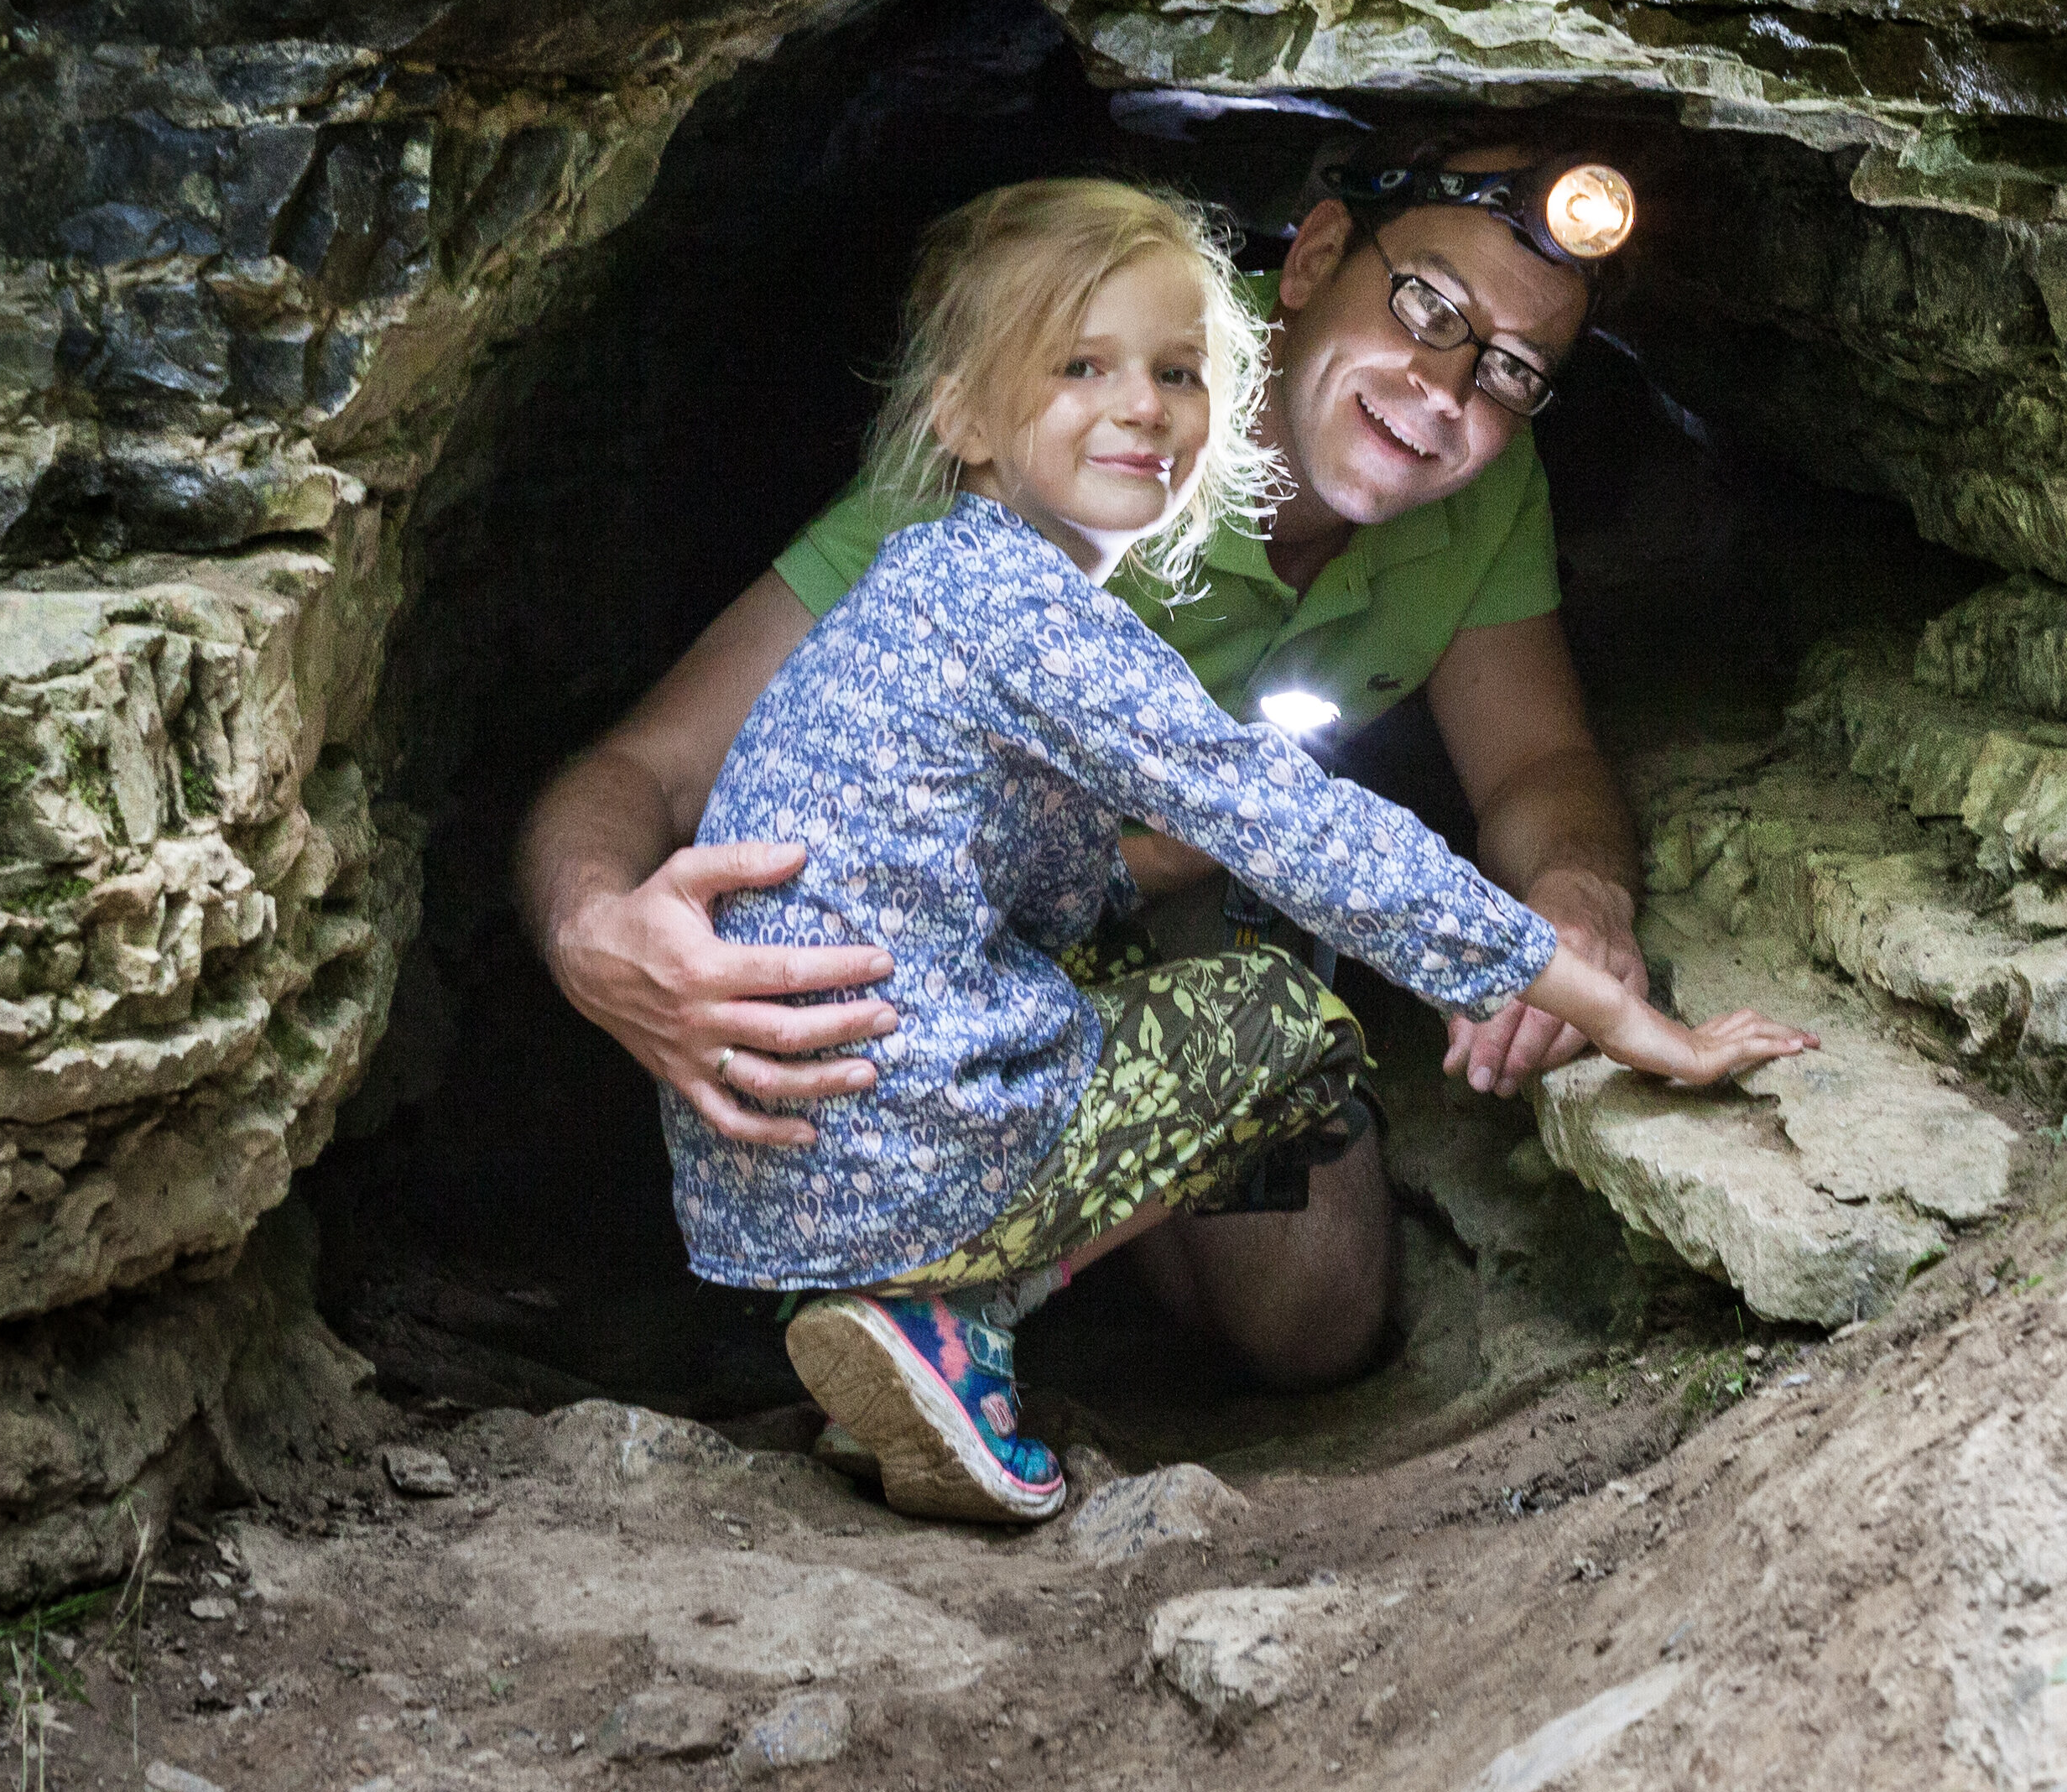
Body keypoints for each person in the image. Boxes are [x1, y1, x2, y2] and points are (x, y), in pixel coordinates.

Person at [674, 177, 1812, 1523]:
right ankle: (952, 1313)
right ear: (961, 415)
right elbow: (1297, 825)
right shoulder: (1027, 603)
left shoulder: (949, 577)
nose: (1143, 407)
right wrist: (1627, 1020)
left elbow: (1054, 865)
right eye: (1080, 369)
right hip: (871, 1107)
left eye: (1174, 372)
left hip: (765, 1173)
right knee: (1284, 1015)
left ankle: (917, 1305)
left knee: (1212, 1038)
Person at [516, 116, 1652, 1388]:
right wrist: (593, 934)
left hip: (1152, 899)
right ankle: (905, 1289)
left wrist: (1578, 897)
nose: (1442, 392)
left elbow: (1534, 766)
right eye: (1426, 304)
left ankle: (1020, 1255)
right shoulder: (1065, 417)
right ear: (1319, 251)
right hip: (930, 942)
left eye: (1511, 370)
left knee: (1312, 1313)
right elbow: (647, 771)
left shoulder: (1483, 484)